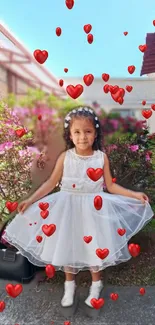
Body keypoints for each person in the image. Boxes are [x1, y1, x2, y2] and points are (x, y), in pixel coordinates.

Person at [2, 106, 154, 309]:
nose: (83, 137)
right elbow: (50, 183)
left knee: (95, 248)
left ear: (95, 133)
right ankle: (69, 286)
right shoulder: (66, 157)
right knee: (68, 245)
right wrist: (30, 200)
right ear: (70, 135)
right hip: (68, 209)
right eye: (77, 132)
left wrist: (134, 194)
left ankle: (96, 285)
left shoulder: (101, 158)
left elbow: (110, 185)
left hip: (95, 209)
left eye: (88, 131)